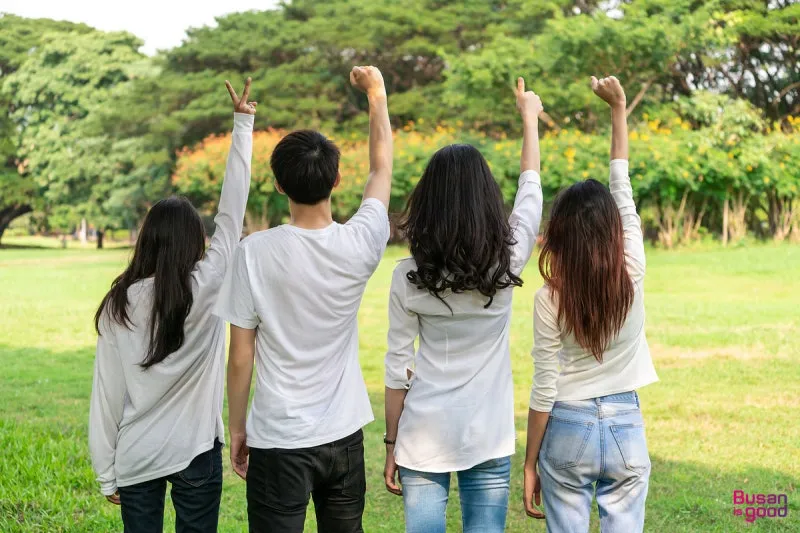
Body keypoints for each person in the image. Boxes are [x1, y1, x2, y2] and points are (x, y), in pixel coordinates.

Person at [215, 65, 392, 533]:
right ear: (336, 181)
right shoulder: (360, 243)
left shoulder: (254, 253)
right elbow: (381, 169)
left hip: (278, 436)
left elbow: (241, 354)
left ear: (278, 185)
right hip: (344, 434)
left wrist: (238, 427)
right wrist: (376, 94)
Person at [88, 78, 256, 532]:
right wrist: (242, 125)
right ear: (193, 240)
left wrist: (106, 471)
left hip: (137, 454)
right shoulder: (208, 283)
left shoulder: (119, 304)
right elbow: (231, 213)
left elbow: (107, 394)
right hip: (195, 451)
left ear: (146, 241)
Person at [383, 77, 544, 533]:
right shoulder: (507, 263)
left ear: (427, 203)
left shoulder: (408, 276)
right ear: (487, 200)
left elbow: (397, 368)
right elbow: (530, 191)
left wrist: (391, 443)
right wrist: (529, 119)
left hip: (422, 435)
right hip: (488, 434)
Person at [523, 76, 659, 533]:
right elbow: (622, 186)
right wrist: (618, 108)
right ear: (613, 229)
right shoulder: (632, 268)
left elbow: (544, 386)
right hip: (626, 424)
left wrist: (530, 462)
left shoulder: (549, 298)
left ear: (559, 233)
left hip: (567, 423)